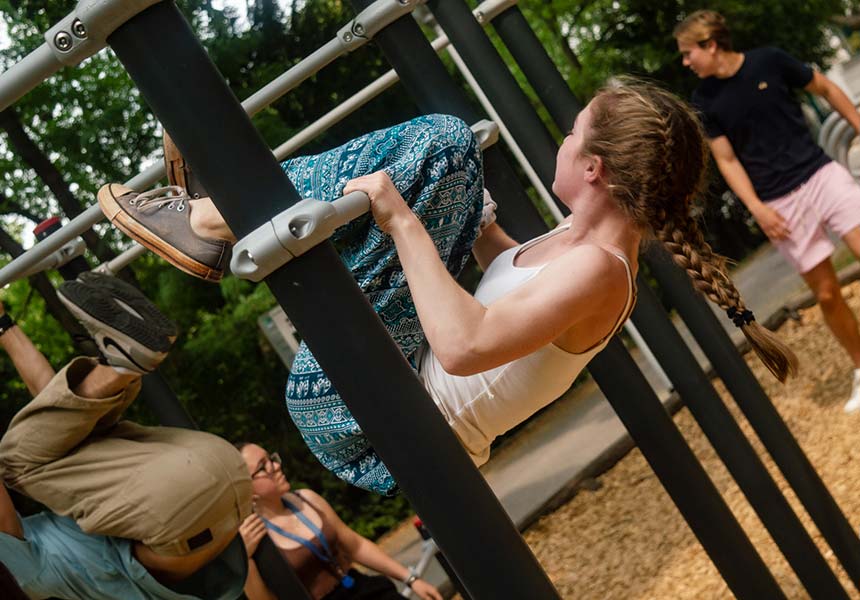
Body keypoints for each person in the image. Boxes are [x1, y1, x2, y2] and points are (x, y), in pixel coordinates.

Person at [98, 84, 797, 496]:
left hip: (380, 424)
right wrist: (470, 220)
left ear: (594, 170)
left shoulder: (601, 271)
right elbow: (499, 297)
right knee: (444, 158)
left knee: (444, 144)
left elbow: (464, 348)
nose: (559, 141)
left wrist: (406, 215)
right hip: (387, 394)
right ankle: (213, 211)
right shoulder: (578, 251)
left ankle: (208, 215)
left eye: (569, 135)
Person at [0, 272, 252, 599]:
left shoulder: (71, 496)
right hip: (175, 512)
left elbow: (52, 406)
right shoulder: (17, 578)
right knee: (14, 461)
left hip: (229, 481)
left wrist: (4, 324)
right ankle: (122, 366)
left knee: (70, 427)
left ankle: (121, 364)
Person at [674, 9, 860, 412]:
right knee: (827, 294)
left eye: (688, 53)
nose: (686, 62)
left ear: (710, 44)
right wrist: (757, 208)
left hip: (821, 174)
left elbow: (825, 87)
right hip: (779, 202)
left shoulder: (770, 61)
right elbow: (727, 160)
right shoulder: (704, 99)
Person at [236, 442, 442, 600]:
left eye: (271, 458)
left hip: (367, 591)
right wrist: (245, 560)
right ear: (246, 487)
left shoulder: (305, 498)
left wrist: (411, 579)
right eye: (263, 466)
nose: (276, 466)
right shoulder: (254, 540)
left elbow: (355, 545)